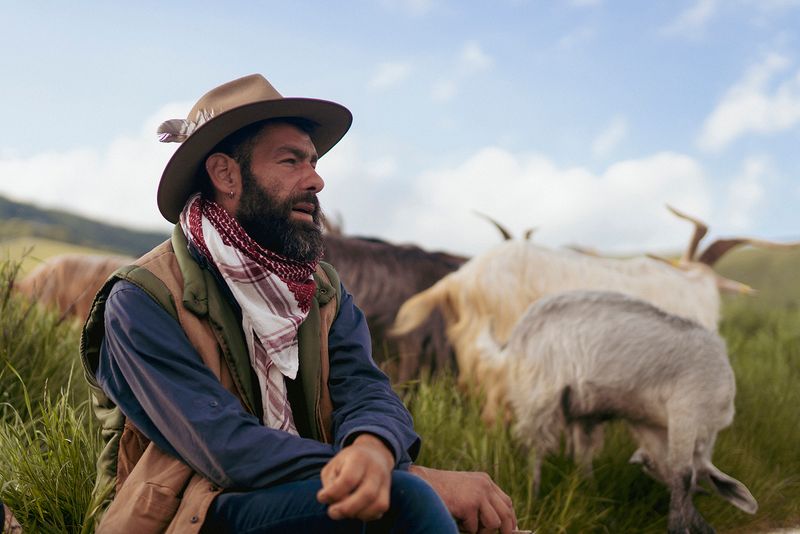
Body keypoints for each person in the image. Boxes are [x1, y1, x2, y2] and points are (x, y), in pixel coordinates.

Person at [80, 74, 517, 533]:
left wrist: (374, 448)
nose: (316, 180)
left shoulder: (320, 288)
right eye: (291, 161)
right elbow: (225, 448)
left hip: (307, 491)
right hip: (188, 511)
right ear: (226, 175)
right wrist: (406, 477)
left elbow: (366, 389)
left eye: (313, 162)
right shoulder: (142, 300)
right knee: (405, 500)